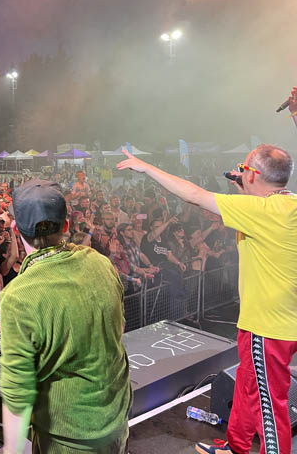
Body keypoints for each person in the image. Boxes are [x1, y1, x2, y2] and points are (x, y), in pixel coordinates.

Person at [118, 145, 297, 454]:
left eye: (244, 168)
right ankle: (237, 446)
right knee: (245, 385)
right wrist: (247, 189)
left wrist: (146, 167)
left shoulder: (261, 212)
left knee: (271, 407)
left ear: (253, 175)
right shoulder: (287, 206)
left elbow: (193, 195)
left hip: (267, 329)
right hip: (276, 320)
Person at [0, 179, 131, 454]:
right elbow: (119, 328)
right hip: (116, 423)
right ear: (67, 226)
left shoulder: (18, 296)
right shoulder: (100, 262)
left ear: (15, 230)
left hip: (67, 439)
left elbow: (17, 392)